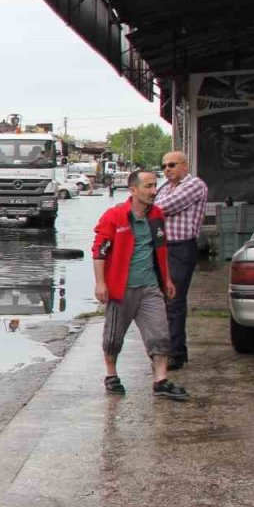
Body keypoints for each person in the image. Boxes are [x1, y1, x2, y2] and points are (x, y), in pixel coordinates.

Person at [92, 169, 188, 401]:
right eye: (148, 186)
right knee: (113, 337)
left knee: (160, 335)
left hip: (150, 288)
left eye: (155, 186)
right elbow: (99, 251)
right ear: (133, 190)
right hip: (121, 289)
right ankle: (111, 376)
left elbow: (161, 249)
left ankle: (161, 381)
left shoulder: (156, 216)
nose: (154, 191)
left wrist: (165, 279)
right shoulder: (114, 217)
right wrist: (101, 283)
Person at [154, 151, 208, 370]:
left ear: (185, 166)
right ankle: (170, 349)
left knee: (174, 299)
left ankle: (176, 353)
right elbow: (155, 206)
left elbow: (162, 207)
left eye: (172, 165)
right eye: (164, 166)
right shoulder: (165, 188)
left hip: (180, 248)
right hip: (161, 247)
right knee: (161, 301)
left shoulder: (194, 184)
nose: (167, 169)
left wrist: (150, 205)